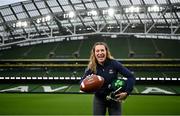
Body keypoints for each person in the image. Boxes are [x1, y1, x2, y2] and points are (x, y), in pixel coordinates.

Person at [81, 42, 135, 115]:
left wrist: (126, 92)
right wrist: (88, 83)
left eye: (102, 50)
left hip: (114, 98)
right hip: (99, 99)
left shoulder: (114, 63)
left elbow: (131, 76)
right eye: (97, 51)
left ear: (106, 52)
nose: (100, 53)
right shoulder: (91, 67)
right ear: (94, 53)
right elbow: (82, 83)